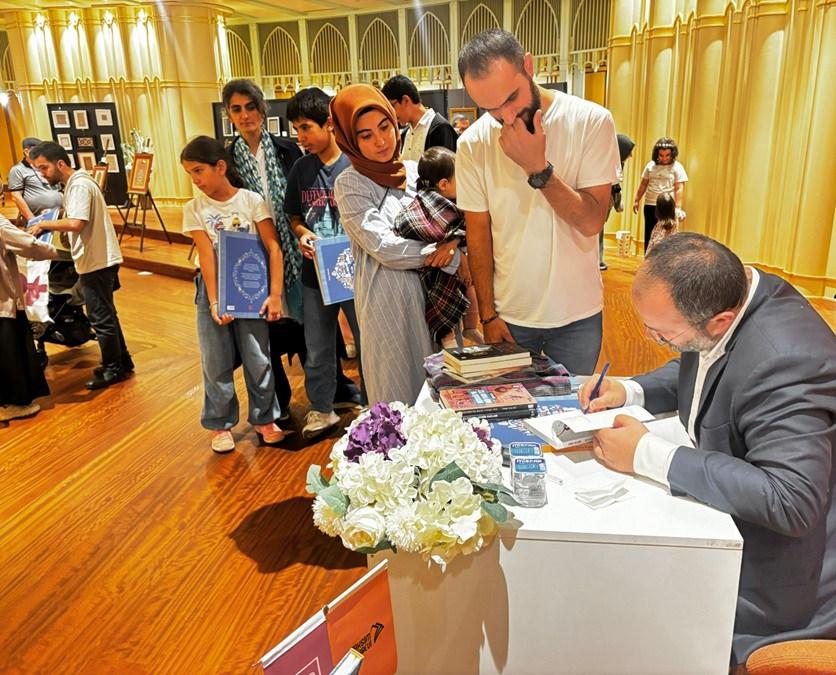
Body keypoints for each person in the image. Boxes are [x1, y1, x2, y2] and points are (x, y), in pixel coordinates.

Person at [579, 233, 836, 665]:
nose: (651, 337)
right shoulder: (737, 292)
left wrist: (647, 454)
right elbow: (703, 360)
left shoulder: (788, 361)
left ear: (720, 320)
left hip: (780, 583)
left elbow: (792, 500)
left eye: (661, 334)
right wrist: (630, 390)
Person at [456, 29, 619, 375]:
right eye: (491, 109)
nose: (507, 116)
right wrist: (486, 313)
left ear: (528, 66)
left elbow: (592, 221)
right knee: (512, 417)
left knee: (572, 419)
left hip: (577, 314)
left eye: (511, 98)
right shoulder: (472, 143)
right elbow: (478, 235)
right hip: (508, 315)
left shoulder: (591, 121)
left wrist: (537, 168)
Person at [331, 83, 461, 404]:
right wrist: (446, 255)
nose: (381, 140)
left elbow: (456, 216)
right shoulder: (350, 184)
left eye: (385, 126)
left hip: (434, 300)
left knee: (443, 396)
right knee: (396, 398)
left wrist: (455, 245)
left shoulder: (417, 172)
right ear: (350, 139)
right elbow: (385, 247)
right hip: (386, 304)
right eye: (365, 135)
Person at [180, 136, 288, 453]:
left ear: (221, 167)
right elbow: (207, 256)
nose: (195, 180)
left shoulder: (252, 201)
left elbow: (273, 247)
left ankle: (265, 418)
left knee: (258, 356)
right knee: (215, 359)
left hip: (252, 288)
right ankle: (220, 423)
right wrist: (215, 301)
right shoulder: (194, 208)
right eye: (190, 174)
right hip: (211, 288)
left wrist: (276, 293)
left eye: (199, 171)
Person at [284, 87, 365, 440]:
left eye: (306, 128)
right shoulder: (301, 169)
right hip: (314, 273)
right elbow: (293, 216)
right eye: (296, 130)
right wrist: (302, 233)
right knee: (316, 346)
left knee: (367, 342)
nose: (301, 138)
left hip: (355, 272)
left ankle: (375, 405)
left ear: (329, 124)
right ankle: (322, 409)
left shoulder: (355, 163)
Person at [222, 79, 303, 422]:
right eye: (236, 109)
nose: (245, 115)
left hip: (293, 250)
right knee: (263, 334)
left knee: (306, 323)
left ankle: (330, 388)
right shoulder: (226, 159)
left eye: (250, 107)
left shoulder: (287, 150)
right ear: (229, 114)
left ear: (261, 108)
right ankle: (278, 400)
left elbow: (300, 197)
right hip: (252, 253)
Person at [27, 141, 133, 390]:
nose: (42, 174)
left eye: (44, 168)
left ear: (60, 164)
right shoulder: (77, 184)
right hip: (98, 259)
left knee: (100, 318)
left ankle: (112, 369)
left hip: (97, 261)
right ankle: (123, 361)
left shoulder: (80, 186)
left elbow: (77, 223)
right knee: (108, 315)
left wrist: (44, 225)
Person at [393, 146, 482, 347]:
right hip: (432, 266)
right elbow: (414, 225)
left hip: (447, 258)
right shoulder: (428, 204)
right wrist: (451, 242)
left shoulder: (452, 202)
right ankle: (448, 335)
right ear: (443, 184)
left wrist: (454, 241)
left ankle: (469, 328)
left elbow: (462, 228)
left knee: (470, 286)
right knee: (450, 287)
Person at [0, 215, 58, 421]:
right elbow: (29, 246)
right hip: (2, 299)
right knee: (9, 350)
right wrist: (54, 250)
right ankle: (12, 404)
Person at [381, 75, 458, 161]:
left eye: (392, 107)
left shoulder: (441, 129)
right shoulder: (404, 134)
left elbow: (447, 171)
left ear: (406, 100)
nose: (391, 114)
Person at [632, 136, 688, 253]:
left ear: (672, 154)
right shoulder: (650, 166)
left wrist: (678, 208)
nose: (664, 158)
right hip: (650, 204)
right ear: (656, 154)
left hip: (668, 207)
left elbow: (679, 188)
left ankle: (664, 261)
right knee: (650, 233)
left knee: (667, 235)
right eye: (661, 155)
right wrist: (637, 199)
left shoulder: (677, 167)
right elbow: (643, 184)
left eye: (667, 155)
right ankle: (648, 260)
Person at [8, 137, 64, 223]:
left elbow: (59, 189)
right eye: (38, 151)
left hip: (60, 215)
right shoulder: (17, 170)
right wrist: (32, 220)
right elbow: (16, 197)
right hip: (39, 219)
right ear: (27, 152)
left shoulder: (46, 166)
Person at [600, 132, 635, 271]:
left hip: (605, 200)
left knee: (599, 230)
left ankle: (598, 260)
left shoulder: (617, 162)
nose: (630, 155)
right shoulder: (609, 162)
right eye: (629, 152)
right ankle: (597, 261)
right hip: (601, 200)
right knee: (597, 230)